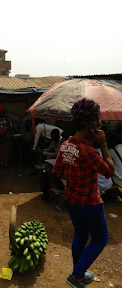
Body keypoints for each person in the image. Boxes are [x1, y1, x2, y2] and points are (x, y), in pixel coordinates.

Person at [52, 98, 115, 288]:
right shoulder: (89, 151)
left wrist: (73, 179)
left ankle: (78, 271)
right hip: (89, 203)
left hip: (70, 200)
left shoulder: (65, 145)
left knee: (80, 234)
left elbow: (57, 172)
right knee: (100, 238)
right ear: (91, 128)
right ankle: (76, 276)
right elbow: (109, 171)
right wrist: (103, 145)